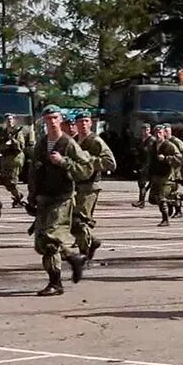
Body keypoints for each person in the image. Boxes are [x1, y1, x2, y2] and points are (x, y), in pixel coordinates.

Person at [27, 105, 92, 296]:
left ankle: (59, 277)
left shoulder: (68, 144)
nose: (52, 122)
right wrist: (32, 195)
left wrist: (64, 162)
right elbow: (34, 172)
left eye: (55, 118)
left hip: (62, 197)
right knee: (42, 243)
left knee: (50, 238)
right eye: (48, 119)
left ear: (61, 120)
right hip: (44, 197)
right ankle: (68, 265)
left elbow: (85, 169)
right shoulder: (41, 144)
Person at [71, 111, 116, 265]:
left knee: (80, 221)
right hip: (75, 186)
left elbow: (110, 163)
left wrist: (89, 160)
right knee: (70, 221)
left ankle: (84, 255)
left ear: (91, 123)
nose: (83, 124)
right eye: (80, 121)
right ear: (75, 124)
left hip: (89, 187)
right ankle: (92, 241)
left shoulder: (95, 141)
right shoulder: (74, 141)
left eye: (86, 121)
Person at [0, 113, 29, 207]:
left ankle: (18, 199)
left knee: (12, 181)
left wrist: (13, 141)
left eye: (11, 119)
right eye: (7, 119)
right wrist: (4, 145)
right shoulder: (3, 132)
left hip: (15, 158)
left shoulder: (18, 132)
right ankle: (18, 194)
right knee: (4, 180)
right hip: (5, 159)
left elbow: (21, 146)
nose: (9, 121)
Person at [147, 125, 182, 227]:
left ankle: (165, 219)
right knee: (153, 199)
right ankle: (171, 201)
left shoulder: (169, 145)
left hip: (167, 175)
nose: (158, 135)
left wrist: (166, 158)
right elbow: (150, 160)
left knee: (161, 198)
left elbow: (179, 158)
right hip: (156, 175)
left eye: (160, 133)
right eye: (156, 133)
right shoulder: (153, 145)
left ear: (164, 134)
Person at [131, 123, 154, 208]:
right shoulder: (142, 140)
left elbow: (148, 151)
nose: (145, 131)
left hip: (149, 164)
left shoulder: (151, 139)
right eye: (144, 129)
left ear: (150, 130)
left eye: (147, 130)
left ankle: (141, 201)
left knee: (142, 183)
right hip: (143, 163)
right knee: (142, 184)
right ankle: (142, 201)